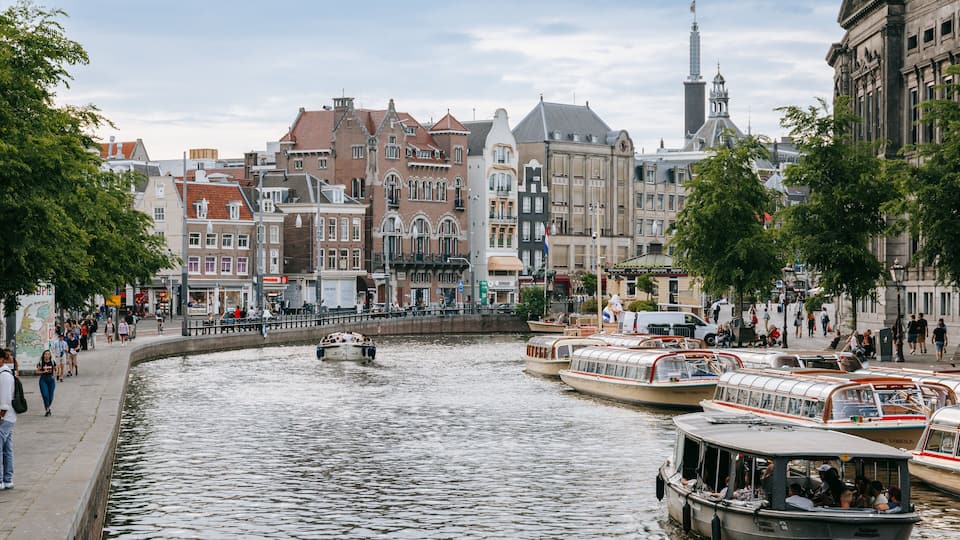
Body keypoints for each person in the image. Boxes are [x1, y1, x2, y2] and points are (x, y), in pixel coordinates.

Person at [0, 349, 17, 489]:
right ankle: (7, 479)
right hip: (8, 417)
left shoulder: (4, 375)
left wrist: (1, 415)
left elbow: (5, 399)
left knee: (3, 449)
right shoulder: (6, 373)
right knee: (7, 449)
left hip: (4, 417)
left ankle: (2, 479)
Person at [36, 349, 56, 417]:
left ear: (50, 355)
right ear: (43, 355)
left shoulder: (52, 362)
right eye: (45, 354)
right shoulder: (41, 362)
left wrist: (54, 375)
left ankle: (48, 407)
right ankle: (47, 409)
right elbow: (37, 371)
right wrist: (43, 372)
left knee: (50, 397)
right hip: (43, 380)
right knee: (45, 395)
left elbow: (56, 369)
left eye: (48, 354)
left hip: (51, 380)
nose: (47, 355)